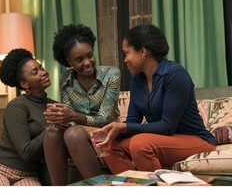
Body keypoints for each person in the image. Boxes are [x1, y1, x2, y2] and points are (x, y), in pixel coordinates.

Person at [90, 24, 217, 174]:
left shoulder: (175, 74)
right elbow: (133, 121)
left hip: (195, 139)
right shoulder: (137, 80)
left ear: (143, 52)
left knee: (140, 144)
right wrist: (109, 132)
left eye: (127, 53)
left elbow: (167, 127)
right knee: (108, 145)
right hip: (163, 139)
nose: (125, 60)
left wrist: (123, 127)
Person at [43, 23, 121, 185]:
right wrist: (59, 116)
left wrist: (72, 116)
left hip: (107, 130)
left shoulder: (111, 74)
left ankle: (101, 187)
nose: (87, 62)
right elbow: (69, 116)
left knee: (73, 134)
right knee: (52, 132)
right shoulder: (65, 79)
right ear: (68, 62)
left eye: (90, 55)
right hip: (79, 128)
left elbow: (105, 118)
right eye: (79, 60)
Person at [0, 48, 56, 186]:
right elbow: (27, 152)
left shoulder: (55, 106)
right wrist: (53, 127)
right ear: (24, 84)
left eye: (41, 68)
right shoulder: (17, 106)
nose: (43, 73)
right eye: (35, 72)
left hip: (28, 174)